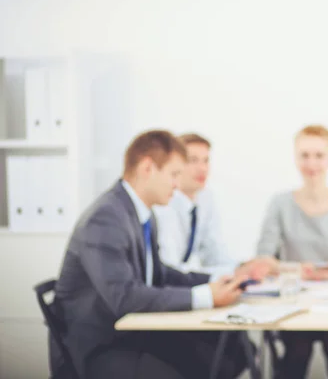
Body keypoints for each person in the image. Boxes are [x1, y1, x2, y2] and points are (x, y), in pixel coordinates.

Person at [52, 130, 250, 379]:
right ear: (148, 167)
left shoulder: (141, 214)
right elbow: (124, 297)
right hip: (102, 345)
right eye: (174, 174)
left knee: (229, 353)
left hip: (132, 333)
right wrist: (204, 297)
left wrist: (211, 284)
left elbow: (159, 274)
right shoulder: (105, 217)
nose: (177, 184)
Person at [256, 124, 328, 379]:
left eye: (319, 155)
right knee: (297, 347)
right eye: (305, 155)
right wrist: (298, 270)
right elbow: (264, 258)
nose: (312, 163)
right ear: (296, 158)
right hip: (293, 301)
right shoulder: (280, 203)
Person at [155, 133, 276, 279]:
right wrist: (231, 273)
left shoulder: (205, 197)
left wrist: (242, 267)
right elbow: (172, 269)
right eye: (192, 160)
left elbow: (214, 252)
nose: (202, 168)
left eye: (206, 161)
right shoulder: (164, 205)